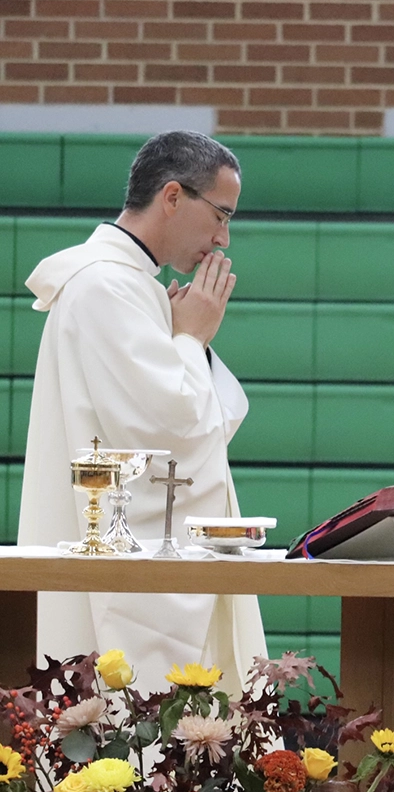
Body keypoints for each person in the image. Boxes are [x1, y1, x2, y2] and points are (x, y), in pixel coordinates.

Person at [18, 130, 266, 697]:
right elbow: (170, 429)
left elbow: (203, 422)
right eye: (221, 216)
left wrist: (185, 342)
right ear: (173, 196)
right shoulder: (106, 286)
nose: (223, 239)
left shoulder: (126, 284)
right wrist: (194, 338)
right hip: (125, 568)